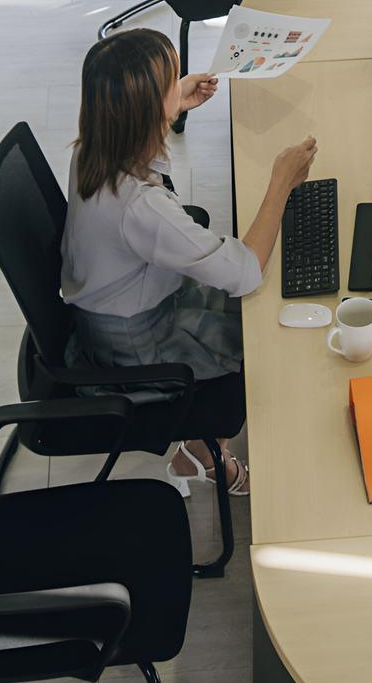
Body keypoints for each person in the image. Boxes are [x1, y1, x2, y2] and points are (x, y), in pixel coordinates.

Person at [61, 28, 318, 492]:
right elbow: (242, 272)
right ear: (142, 113)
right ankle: (203, 450)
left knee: (258, 310)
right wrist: (281, 183)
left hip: (113, 313)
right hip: (140, 344)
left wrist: (173, 101)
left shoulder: (91, 149)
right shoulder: (140, 208)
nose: (179, 84)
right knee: (265, 338)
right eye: (170, 82)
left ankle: (199, 448)